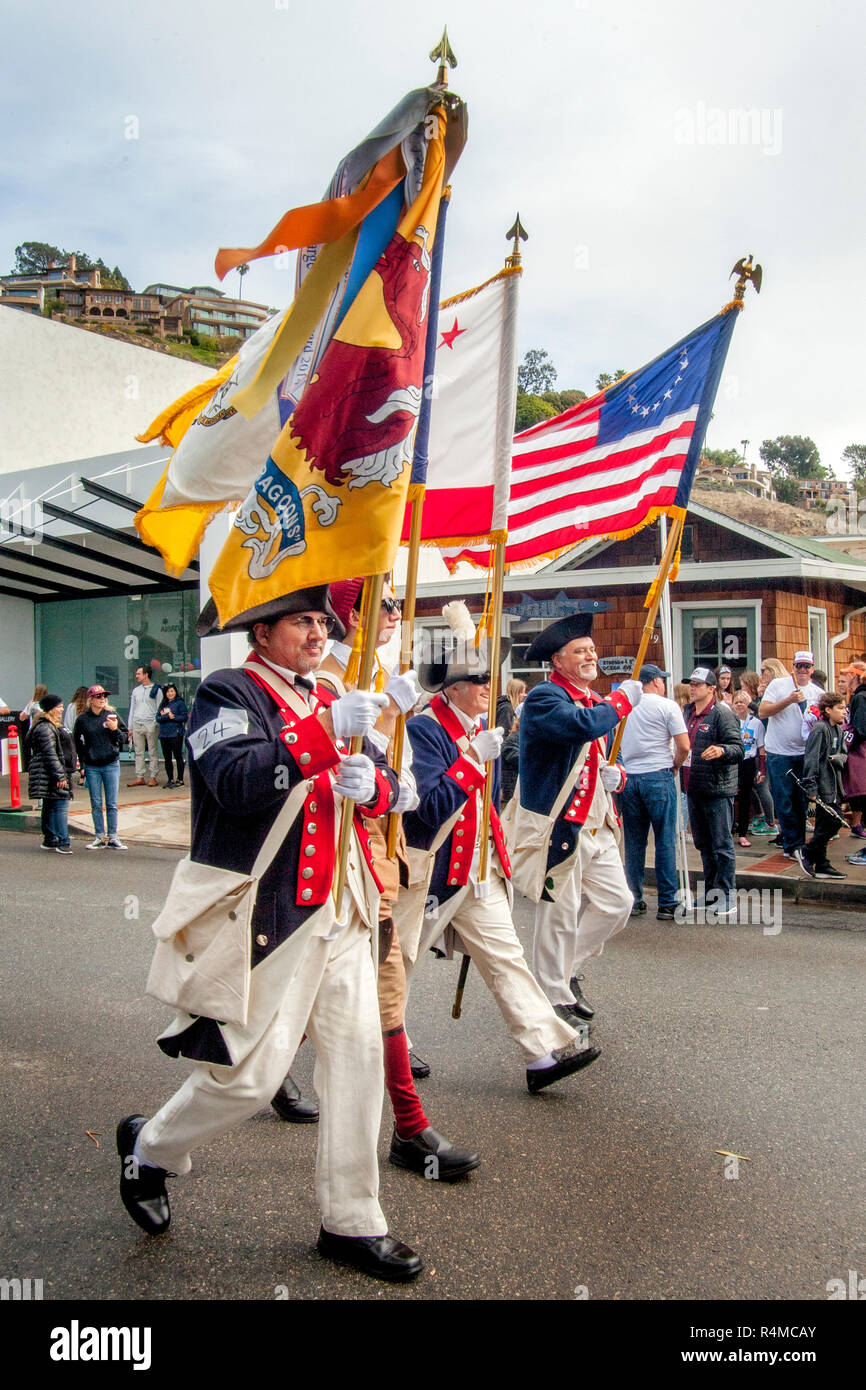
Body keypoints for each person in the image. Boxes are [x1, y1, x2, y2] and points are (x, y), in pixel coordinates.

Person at [117, 586, 424, 1284]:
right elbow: (236, 782)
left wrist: (372, 788)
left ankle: (352, 1221)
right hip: (272, 915)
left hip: (343, 905)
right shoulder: (226, 692)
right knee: (249, 1080)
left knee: (356, 1061)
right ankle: (151, 1146)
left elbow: (382, 785)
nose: (319, 633)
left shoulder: (331, 694)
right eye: (302, 621)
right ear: (262, 631)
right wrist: (322, 736)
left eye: (323, 621)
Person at [281, 577, 480, 1181]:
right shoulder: (312, 683)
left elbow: (406, 790)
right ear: (350, 615)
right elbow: (253, 779)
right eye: (383, 603)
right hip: (305, 872)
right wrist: (367, 715)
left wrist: (383, 786)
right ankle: (162, 1137)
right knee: (268, 1020)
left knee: (382, 1000)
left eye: (397, 603)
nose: (396, 612)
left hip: (371, 868)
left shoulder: (380, 683)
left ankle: (409, 1130)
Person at [399, 601, 601, 1092]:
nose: (490, 688)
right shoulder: (424, 729)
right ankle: (386, 1042)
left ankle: (540, 1053)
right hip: (432, 871)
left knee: (506, 958)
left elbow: (482, 811)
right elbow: (430, 806)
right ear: (453, 688)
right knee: (395, 963)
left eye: (490, 678)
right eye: (479, 680)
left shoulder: (475, 727)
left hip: (476, 871)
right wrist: (471, 760)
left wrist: (499, 859)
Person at [518, 611, 641, 1020]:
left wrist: (616, 775)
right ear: (558, 660)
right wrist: (620, 701)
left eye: (591, 649)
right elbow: (580, 727)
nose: (590, 655)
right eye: (579, 651)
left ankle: (564, 973)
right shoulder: (544, 698)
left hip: (597, 824)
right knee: (558, 913)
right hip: (560, 825)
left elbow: (605, 750)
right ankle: (553, 998)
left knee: (617, 903)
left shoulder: (594, 701)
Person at [619, 663, 690, 921]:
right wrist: (676, 764)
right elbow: (684, 745)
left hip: (630, 775)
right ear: (656, 681)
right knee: (664, 839)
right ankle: (667, 901)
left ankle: (635, 898)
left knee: (635, 842)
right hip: (658, 773)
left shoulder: (626, 706)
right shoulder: (667, 706)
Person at [682, 666, 744, 918]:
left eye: (698, 684)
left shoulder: (721, 714)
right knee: (703, 844)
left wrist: (722, 750)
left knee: (721, 844)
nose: (692, 687)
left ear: (711, 689)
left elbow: (738, 748)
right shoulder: (687, 712)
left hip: (718, 788)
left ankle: (727, 895)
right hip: (693, 786)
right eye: (691, 683)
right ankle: (711, 892)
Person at [758, 650, 823, 857]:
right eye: (798, 666)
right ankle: (791, 845)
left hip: (805, 753)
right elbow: (763, 712)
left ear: (812, 669)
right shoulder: (779, 685)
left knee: (802, 800)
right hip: (779, 752)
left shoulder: (817, 693)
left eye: (806, 666)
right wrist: (789, 700)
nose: (802, 670)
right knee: (784, 800)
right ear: (793, 666)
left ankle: (797, 843)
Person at [796, 692, 847, 880]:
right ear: (828, 709)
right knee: (835, 819)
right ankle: (807, 852)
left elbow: (844, 753)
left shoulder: (838, 730)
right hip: (822, 787)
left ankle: (822, 863)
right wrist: (811, 788)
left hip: (834, 786)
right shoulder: (819, 729)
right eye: (840, 708)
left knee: (826, 824)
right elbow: (811, 760)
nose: (844, 712)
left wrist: (837, 759)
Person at [73, 686, 128, 850]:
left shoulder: (112, 715)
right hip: (92, 765)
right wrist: (82, 764)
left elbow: (124, 737)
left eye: (104, 696)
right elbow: (77, 742)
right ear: (91, 699)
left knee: (112, 803)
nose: (102, 699)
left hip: (111, 763)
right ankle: (99, 836)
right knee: (96, 803)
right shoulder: (83, 719)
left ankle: (113, 836)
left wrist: (114, 729)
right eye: (98, 696)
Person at [27, 693, 76, 853]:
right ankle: (63, 841)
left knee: (49, 804)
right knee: (61, 805)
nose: (62, 709)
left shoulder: (49, 725)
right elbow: (50, 753)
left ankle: (49, 839)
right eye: (59, 706)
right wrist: (60, 776)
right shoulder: (45, 727)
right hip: (52, 772)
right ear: (51, 709)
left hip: (49, 772)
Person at [732, 688, 766, 847]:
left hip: (748, 762)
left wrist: (762, 770)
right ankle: (729, 830)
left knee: (745, 798)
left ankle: (743, 833)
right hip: (732, 761)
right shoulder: (730, 720)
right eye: (736, 702)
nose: (740, 705)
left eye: (743, 702)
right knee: (730, 797)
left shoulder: (756, 723)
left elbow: (761, 748)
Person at [127, 665, 161, 788]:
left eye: (138, 673)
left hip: (150, 723)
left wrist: (155, 722)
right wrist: (130, 727)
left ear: (146, 674)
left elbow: (159, 707)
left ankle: (153, 776)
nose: (137, 676)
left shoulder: (157, 689)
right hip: (137, 722)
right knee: (138, 751)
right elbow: (132, 708)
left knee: (152, 750)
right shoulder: (136, 691)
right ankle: (139, 776)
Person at [155, 683, 189, 788]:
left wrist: (173, 717)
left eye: (172, 691)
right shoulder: (163, 704)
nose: (170, 693)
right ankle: (170, 779)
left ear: (175, 692)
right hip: (164, 734)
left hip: (176, 733)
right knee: (167, 758)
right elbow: (158, 718)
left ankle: (180, 779)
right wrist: (166, 717)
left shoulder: (179, 703)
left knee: (178, 756)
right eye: (168, 691)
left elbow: (184, 717)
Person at [19, 683, 47, 771]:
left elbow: (22, 717)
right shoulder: (47, 703)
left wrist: (29, 704)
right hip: (46, 730)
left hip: (33, 731)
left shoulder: (32, 704)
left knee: (35, 752)